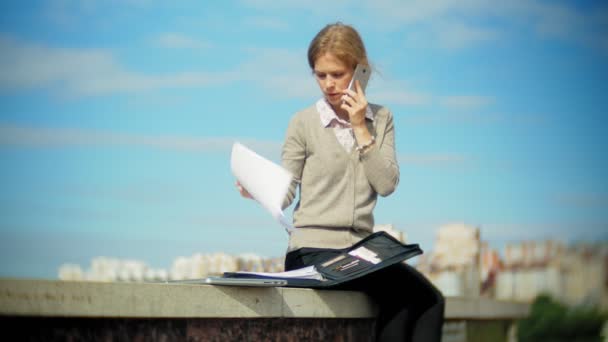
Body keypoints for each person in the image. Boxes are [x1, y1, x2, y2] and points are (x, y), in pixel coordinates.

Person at [237, 22, 444, 342]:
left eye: (338, 74)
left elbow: (386, 184)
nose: (329, 84)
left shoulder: (382, 119)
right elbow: (287, 191)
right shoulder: (303, 122)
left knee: (430, 300)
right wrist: (258, 188)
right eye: (321, 75)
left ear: (360, 71)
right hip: (312, 253)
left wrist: (361, 128)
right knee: (402, 298)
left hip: (361, 253)